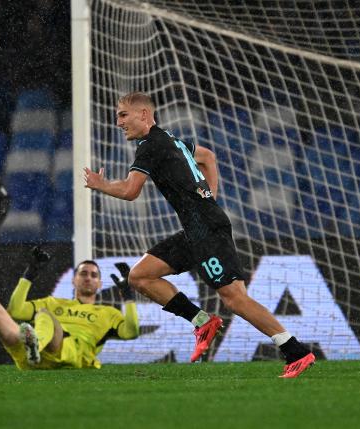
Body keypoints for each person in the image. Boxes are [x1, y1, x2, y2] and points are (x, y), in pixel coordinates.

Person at [83, 92, 315, 378]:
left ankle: (296, 351)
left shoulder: (150, 146)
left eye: (123, 115)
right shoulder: (170, 140)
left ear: (143, 114)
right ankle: (201, 321)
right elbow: (207, 157)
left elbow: (131, 191)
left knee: (235, 299)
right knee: (140, 276)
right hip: (197, 228)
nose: (118, 122)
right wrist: (210, 196)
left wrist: (100, 184)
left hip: (206, 231)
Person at [0, 247, 139, 369]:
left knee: (43, 316)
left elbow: (131, 332)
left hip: (68, 355)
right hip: (32, 356)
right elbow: (15, 310)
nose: (88, 278)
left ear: (100, 285)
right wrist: (30, 273)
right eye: (83, 274)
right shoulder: (53, 302)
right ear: (73, 280)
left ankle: (35, 344)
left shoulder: (108, 314)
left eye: (94, 275)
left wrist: (128, 295)